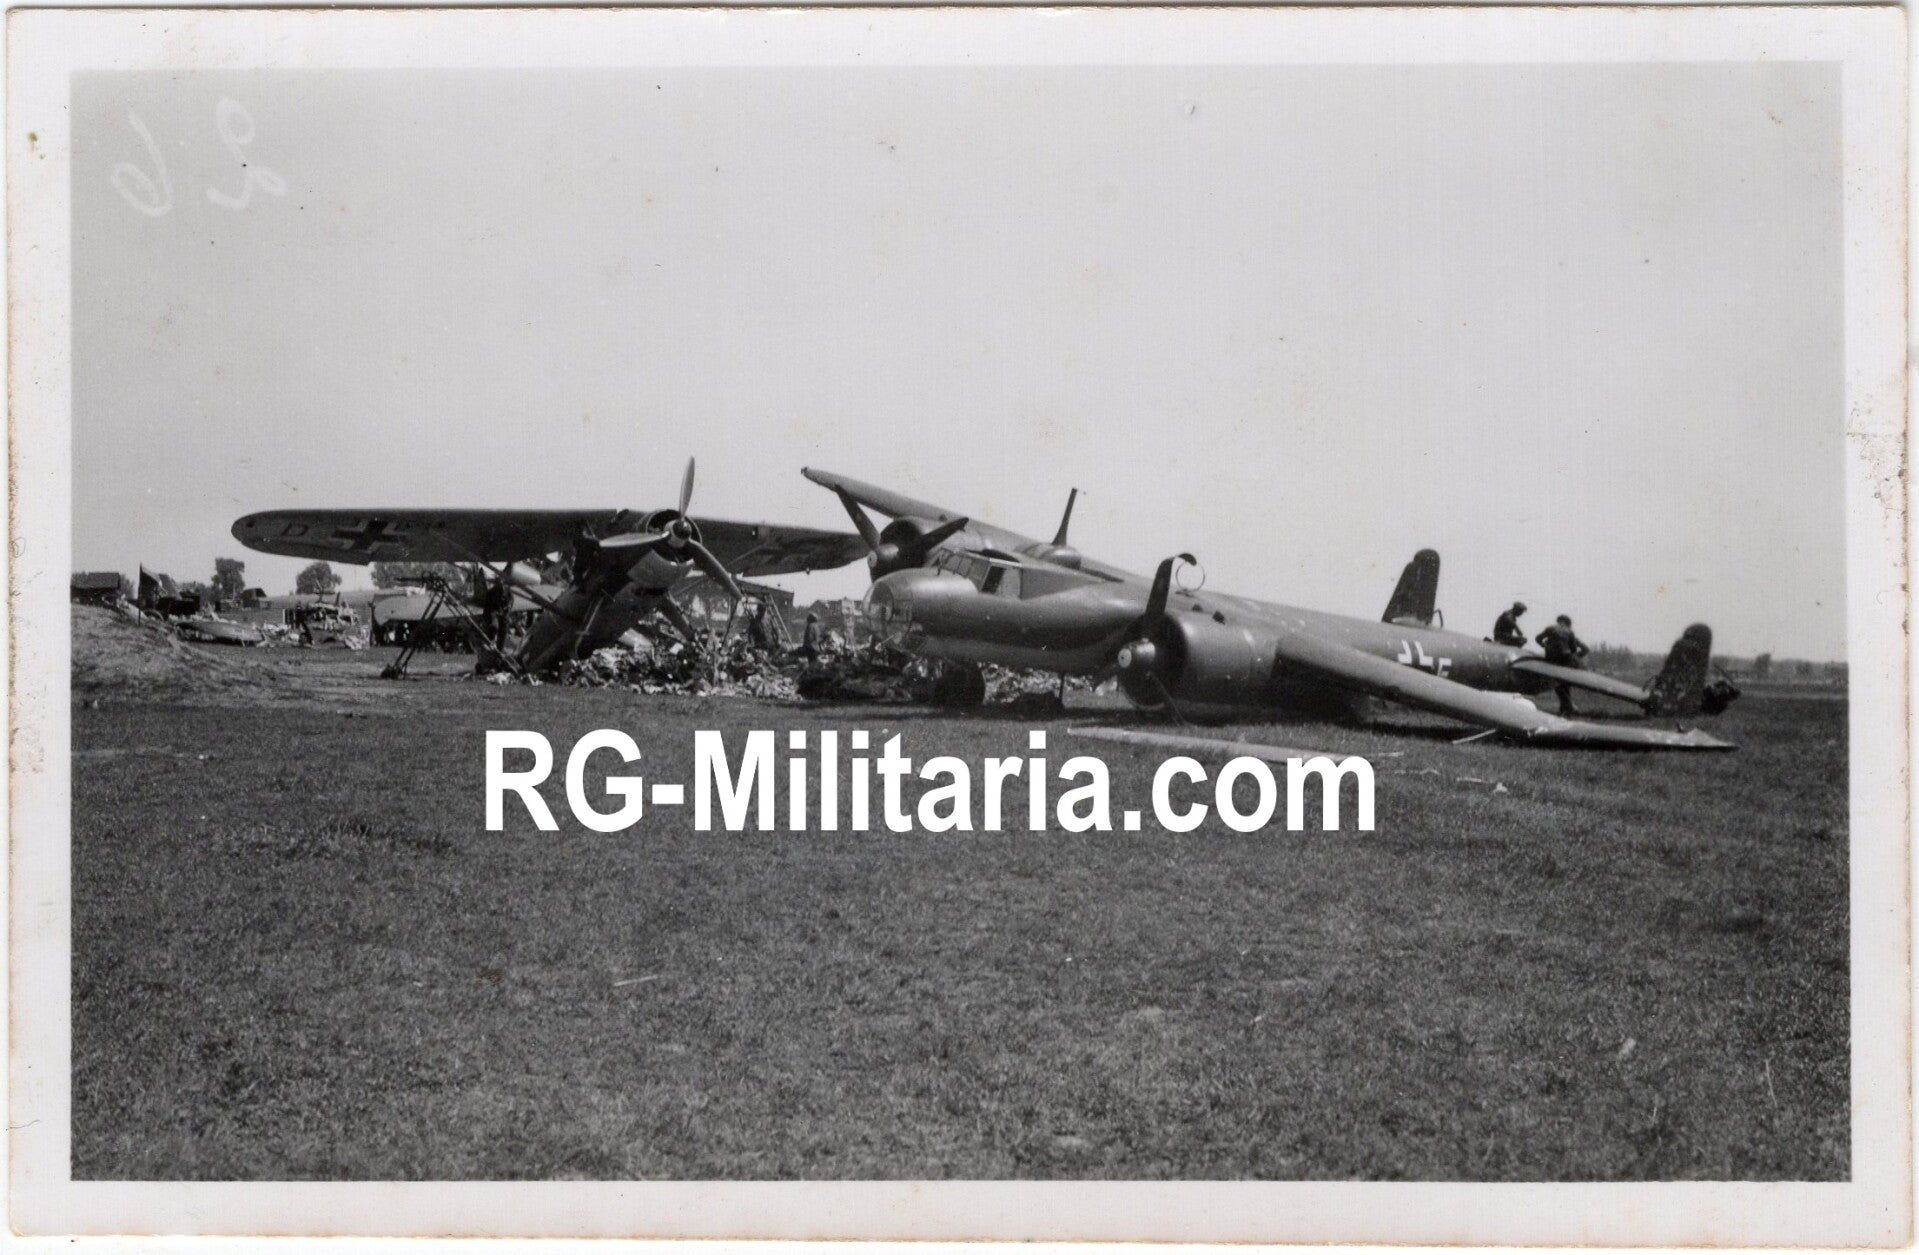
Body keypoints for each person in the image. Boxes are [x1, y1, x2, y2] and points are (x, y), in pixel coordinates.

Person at [1534, 614, 1591, 716]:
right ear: (1567, 623)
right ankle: (1568, 707)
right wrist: (1576, 656)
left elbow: (1538, 638)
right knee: (1564, 685)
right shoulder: (1570, 632)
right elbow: (1574, 649)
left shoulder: (1550, 629)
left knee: (1558, 684)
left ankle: (1566, 708)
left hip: (1551, 659)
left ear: (1559, 621)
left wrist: (1545, 645)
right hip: (1565, 660)